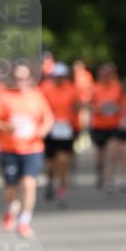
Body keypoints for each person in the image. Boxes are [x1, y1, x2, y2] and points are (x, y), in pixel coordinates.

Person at [0, 61, 53, 238]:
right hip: (9, 148)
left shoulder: (37, 96)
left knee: (28, 183)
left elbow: (48, 118)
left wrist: (42, 131)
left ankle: (24, 221)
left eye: (23, 78)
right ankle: (12, 208)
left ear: (30, 79)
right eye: (16, 78)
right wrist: (5, 127)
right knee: (11, 187)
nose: (20, 81)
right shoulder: (4, 97)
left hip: (32, 147)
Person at [40, 62, 81, 204]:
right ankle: (50, 181)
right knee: (50, 162)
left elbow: (77, 108)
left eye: (61, 76)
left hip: (66, 129)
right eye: (56, 76)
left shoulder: (72, 90)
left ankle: (62, 188)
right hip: (50, 129)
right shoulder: (45, 89)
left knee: (63, 161)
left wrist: (77, 127)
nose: (58, 79)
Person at [90, 62, 126, 192]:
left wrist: (123, 115)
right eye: (104, 74)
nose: (106, 76)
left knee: (112, 152)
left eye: (109, 74)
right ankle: (100, 172)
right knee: (100, 155)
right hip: (98, 125)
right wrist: (99, 109)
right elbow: (88, 106)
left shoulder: (117, 87)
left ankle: (108, 179)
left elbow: (124, 103)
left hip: (113, 125)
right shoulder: (94, 88)